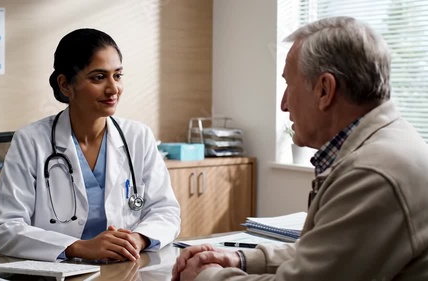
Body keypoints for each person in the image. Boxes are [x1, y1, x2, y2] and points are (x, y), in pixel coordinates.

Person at [172, 16, 428, 281]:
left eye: (288, 85)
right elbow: (326, 254)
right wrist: (242, 259)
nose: (284, 104)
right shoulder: (385, 147)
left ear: (324, 91)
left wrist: (206, 276)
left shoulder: (373, 173)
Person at [0, 28, 181, 262]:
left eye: (117, 75)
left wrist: (138, 239)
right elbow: (4, 229)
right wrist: (77, 247)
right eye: (98, 77)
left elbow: (166, 211)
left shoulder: (138, 136)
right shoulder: (31, 141)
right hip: (60, 272)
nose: (113, 89)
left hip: (125, 268)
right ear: (66, 85)